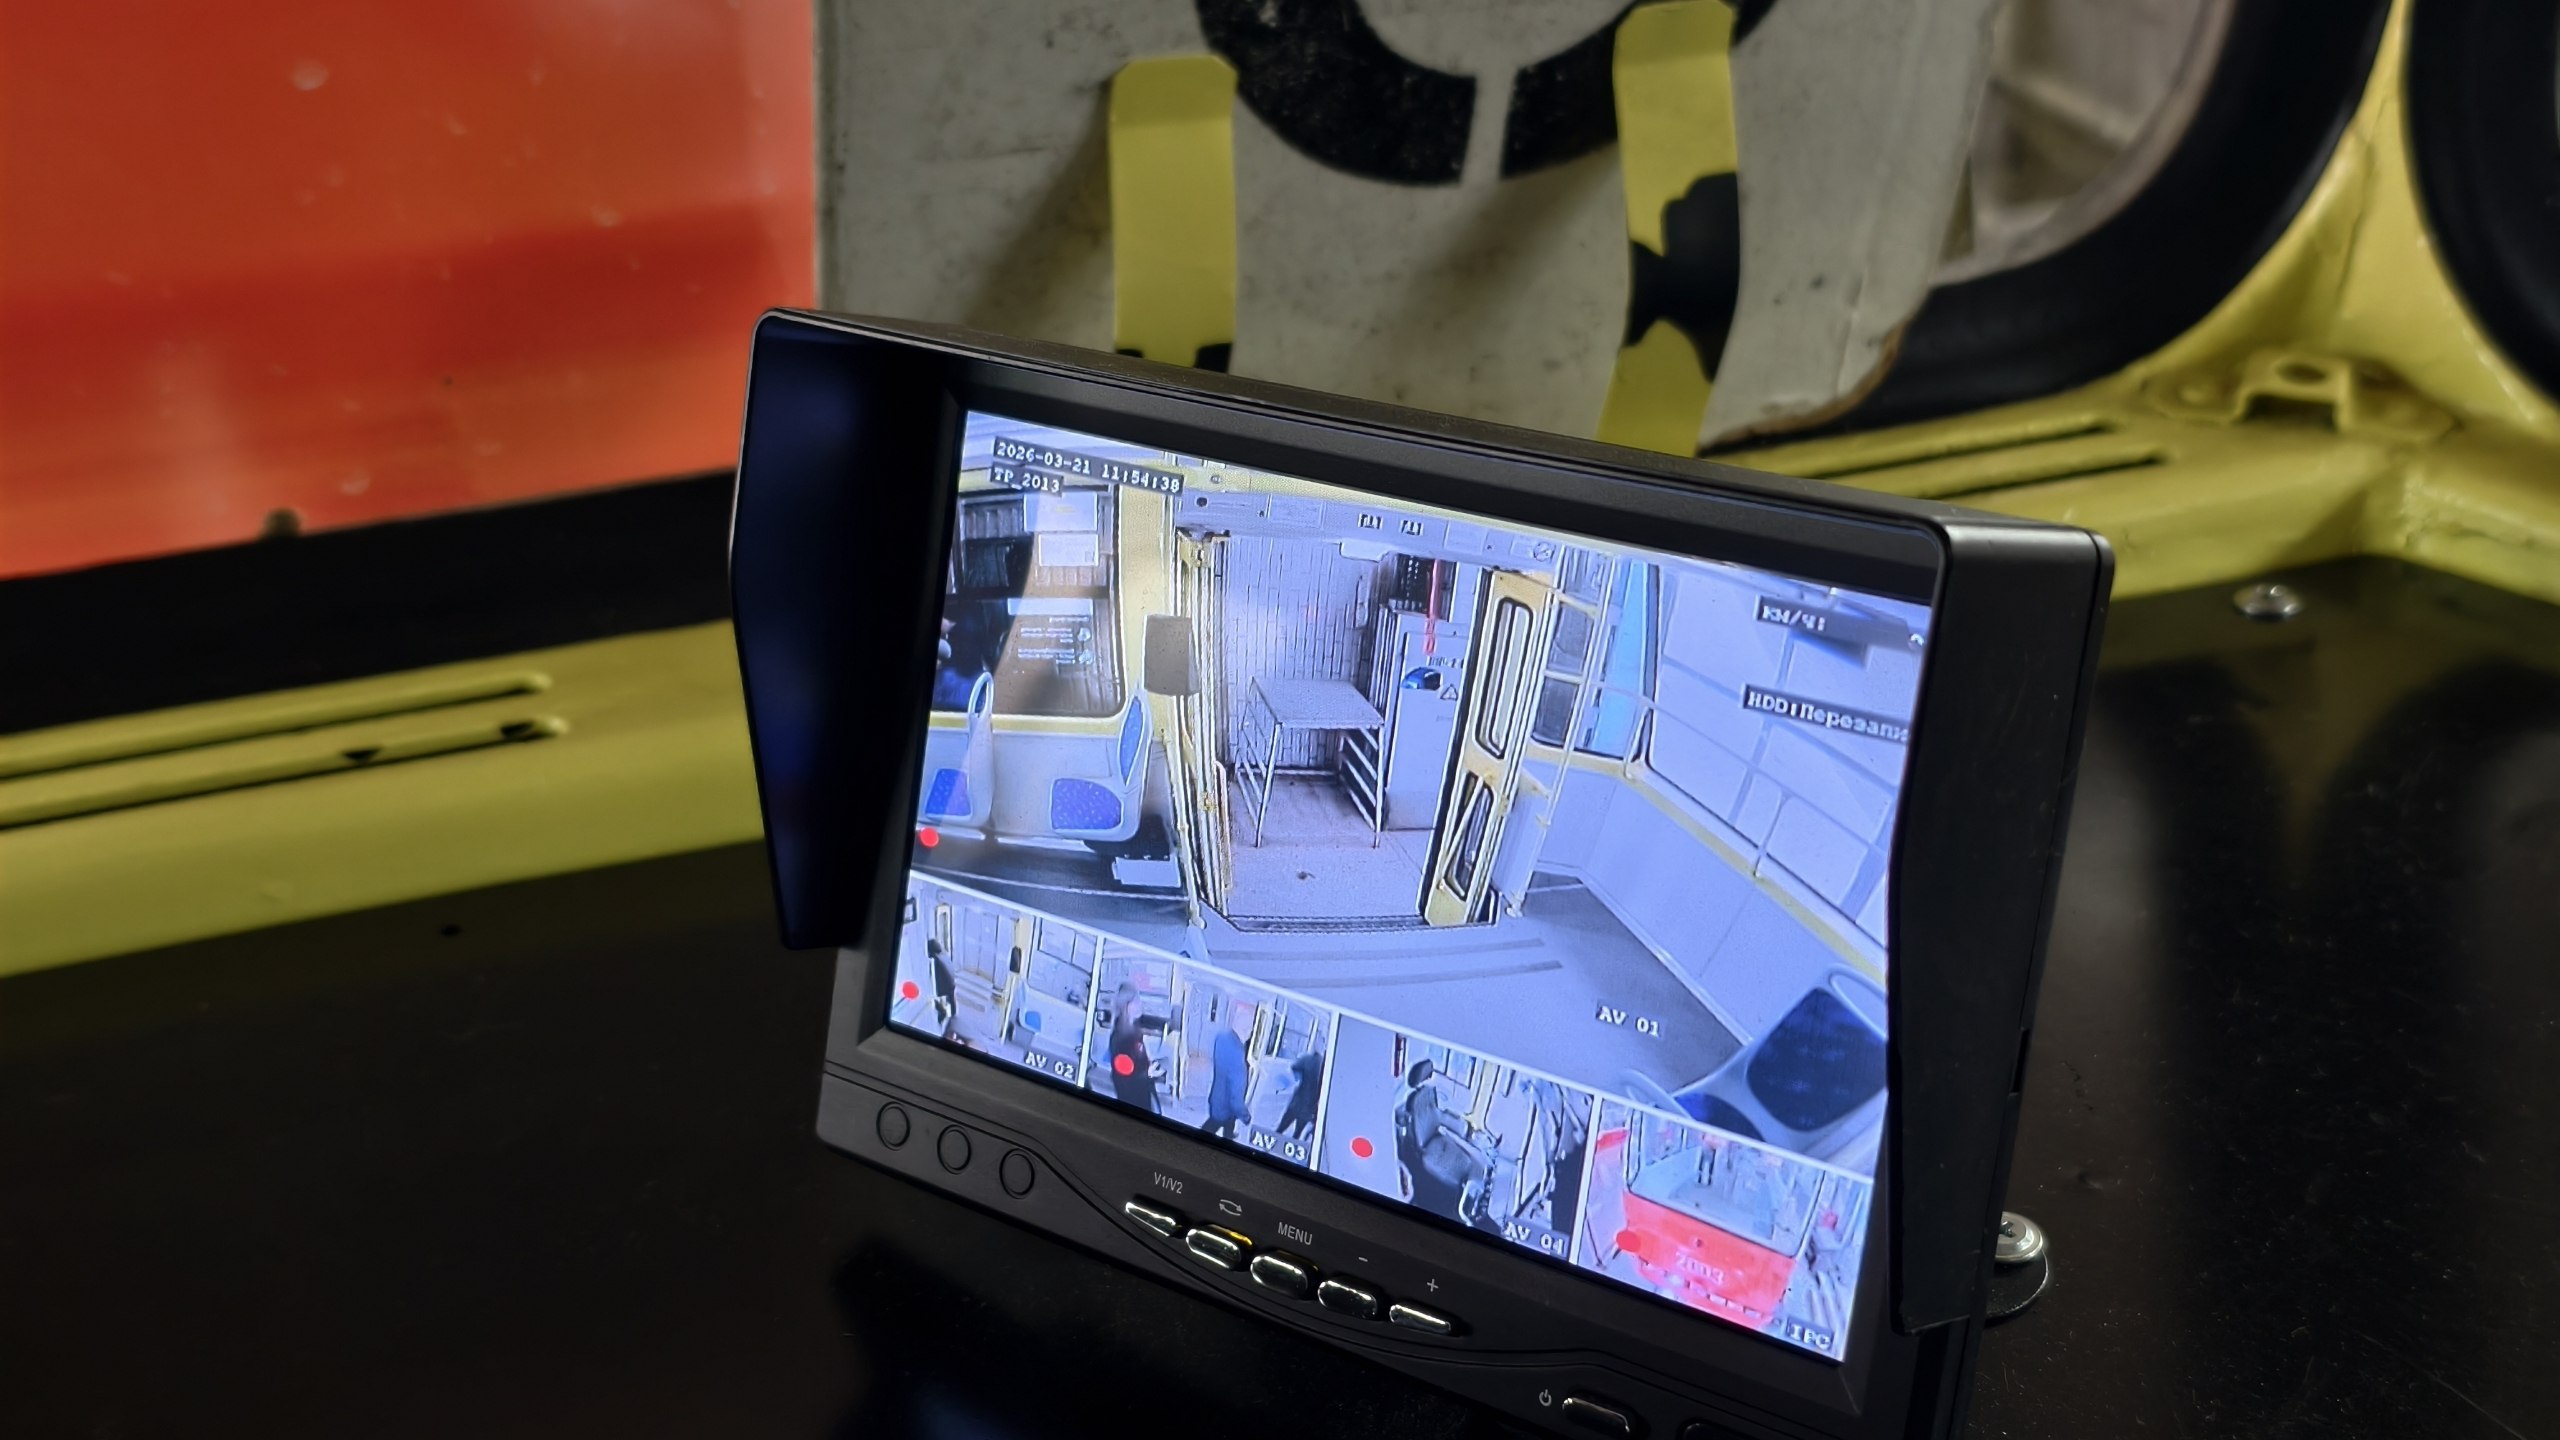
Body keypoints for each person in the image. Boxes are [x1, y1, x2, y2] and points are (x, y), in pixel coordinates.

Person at [1400, 1060, 1490, 1224]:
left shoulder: (1428, 1093)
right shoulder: (1418, 1103)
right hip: (1431, 1150)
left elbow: (1439, 1117)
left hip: (1437, 1143)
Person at [1104, 982, 1158, 1113]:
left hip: (1143, 1096)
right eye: (1137, 1001)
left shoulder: (1134, 1032)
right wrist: (1148, 1073)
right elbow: (1126, 1079)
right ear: (1128, 1006)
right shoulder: (1120, 1038)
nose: (1140, 1004)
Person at [1207, 1002, 1254, 1141]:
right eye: (1251, 1028)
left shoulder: (1222, 1037)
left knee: (1226, 1123)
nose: (1251, 1032)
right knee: (1213, 1126)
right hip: (1225, 1108)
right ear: (1246, 1028)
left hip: (1216, 1097)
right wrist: (1246, 1117)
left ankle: (1228, 1135)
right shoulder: (1238, 1056)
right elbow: (1236, 1100)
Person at [1275, 1045, 1324, 1144]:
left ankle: (1271, 1145)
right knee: (1296, 1135)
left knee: (1281, 1128)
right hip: (1309, 1107)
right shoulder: (1325, 1068)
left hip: (1297, 1102)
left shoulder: (1307, 1059)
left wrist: (1298, 1078)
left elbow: (1294, 1067)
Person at [926, 938, 957, 1036]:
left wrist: (937, 993)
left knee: (941, 1002)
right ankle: (950, 1017)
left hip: (946, 985)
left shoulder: (936, 960)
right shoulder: (943, 955)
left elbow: (937, 977)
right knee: (951, 1001)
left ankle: (945, 1017)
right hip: (950, 983)